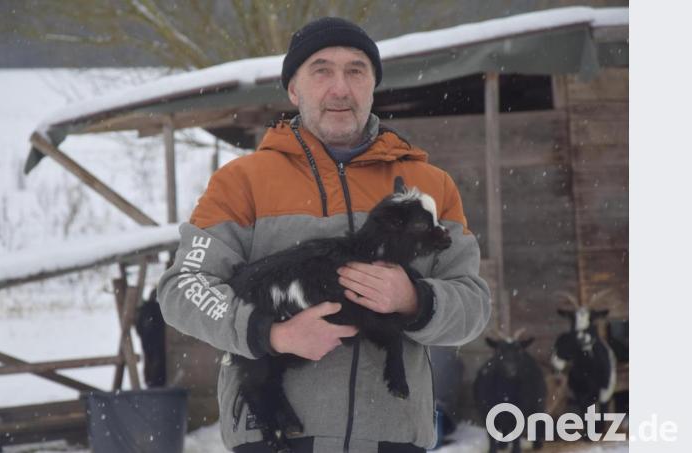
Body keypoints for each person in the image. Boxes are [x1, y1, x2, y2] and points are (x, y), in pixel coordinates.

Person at [157, 17, 491, 453]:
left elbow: (473, 306)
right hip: (274, 437)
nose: (340, 88)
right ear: (294, 90)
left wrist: (414, 299)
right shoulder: (242, 182)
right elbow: (184, 289)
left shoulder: (429, 186)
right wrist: (269, 334)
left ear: (373, 86)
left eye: (356, 71)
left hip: (392, 438)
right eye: (321, 70)